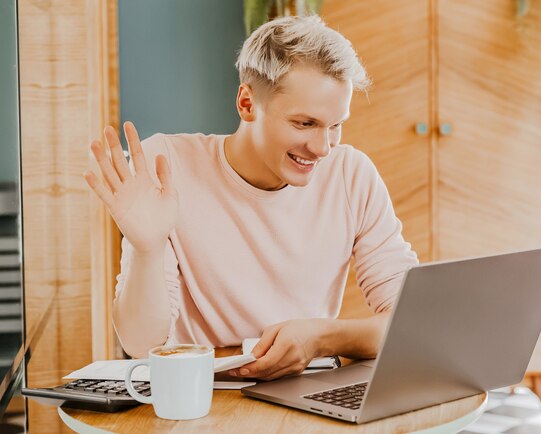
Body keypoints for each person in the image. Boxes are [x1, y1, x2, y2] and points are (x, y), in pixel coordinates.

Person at [83, 15, 418, 381]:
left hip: (306, 391)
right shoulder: (167, 167)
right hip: (203, 397)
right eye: (304, 124)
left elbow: (412, 321)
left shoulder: (351, 175)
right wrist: (146, 250)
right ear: (247, 103)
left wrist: (320, 338)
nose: (323, 148)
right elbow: (141, 342)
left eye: (335, 125)